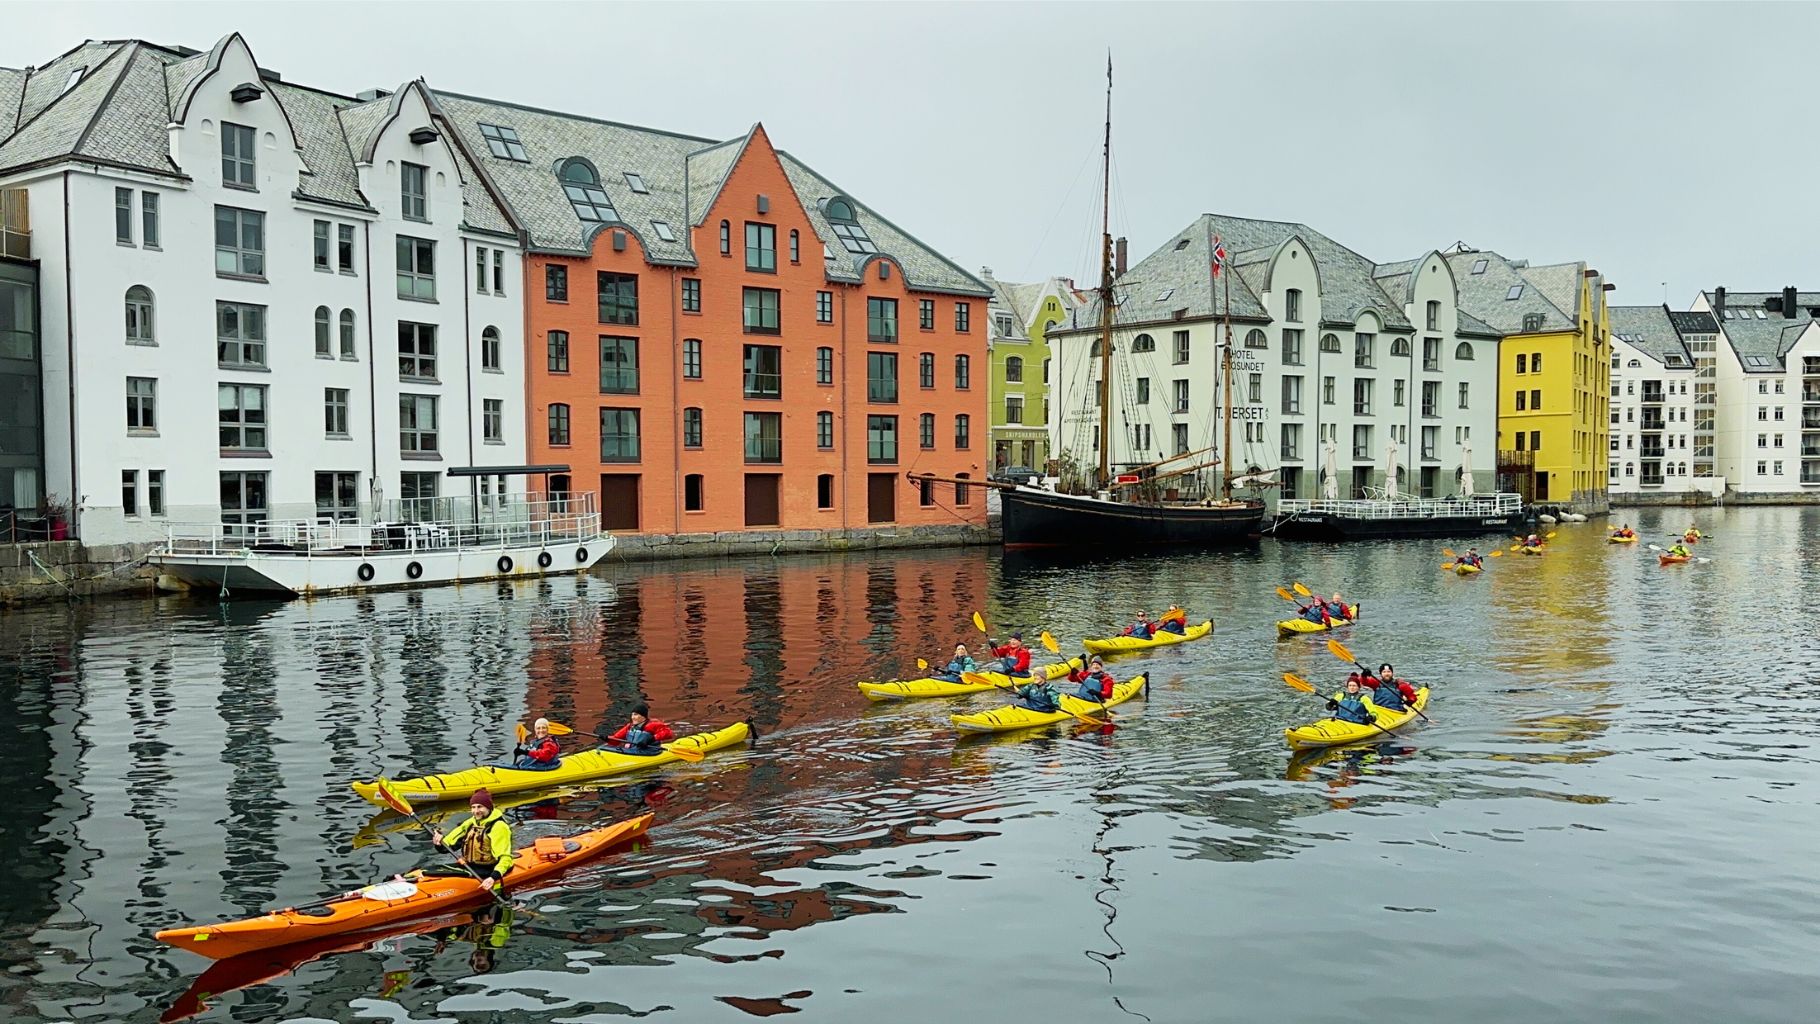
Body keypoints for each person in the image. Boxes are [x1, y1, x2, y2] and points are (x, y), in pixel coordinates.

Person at [430, 789, 512, 891]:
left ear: (489, 807)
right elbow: (446, 847)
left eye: (480, 807)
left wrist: (492, 878)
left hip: (490, 869)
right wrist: (438, 842)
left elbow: (505, 858)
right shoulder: (470, 823)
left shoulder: (499, 827)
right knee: (429, 870)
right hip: (470, 866)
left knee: (433, 872)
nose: (476, 811)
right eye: (473, 807)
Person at [599, 704, 675, 755]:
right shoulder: (629, 726)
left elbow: (668, 733)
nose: (632, 717)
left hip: (649, 752)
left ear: (643, 716)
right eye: (632, 714)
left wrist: (651, 739)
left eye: (635, 714)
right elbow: (616, 740)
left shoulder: (652, 725)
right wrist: (607, 738)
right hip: (633, 751)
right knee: (603, 747)